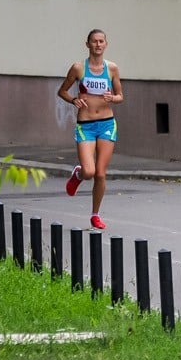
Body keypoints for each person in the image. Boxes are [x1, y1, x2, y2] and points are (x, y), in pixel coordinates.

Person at [57, 29, 124, 230]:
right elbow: (62, 91)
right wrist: (74, 100)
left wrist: (113, 98)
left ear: (106, 44)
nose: (98, 45)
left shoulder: (111, 68)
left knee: (100, 174)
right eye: (94, 41)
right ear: (87, 44)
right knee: (89, 171)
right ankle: (78, 175)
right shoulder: (78, 68)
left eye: (101, 41)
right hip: (86, 125)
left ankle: (95, 214)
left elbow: (121, 95)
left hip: (106, 123)